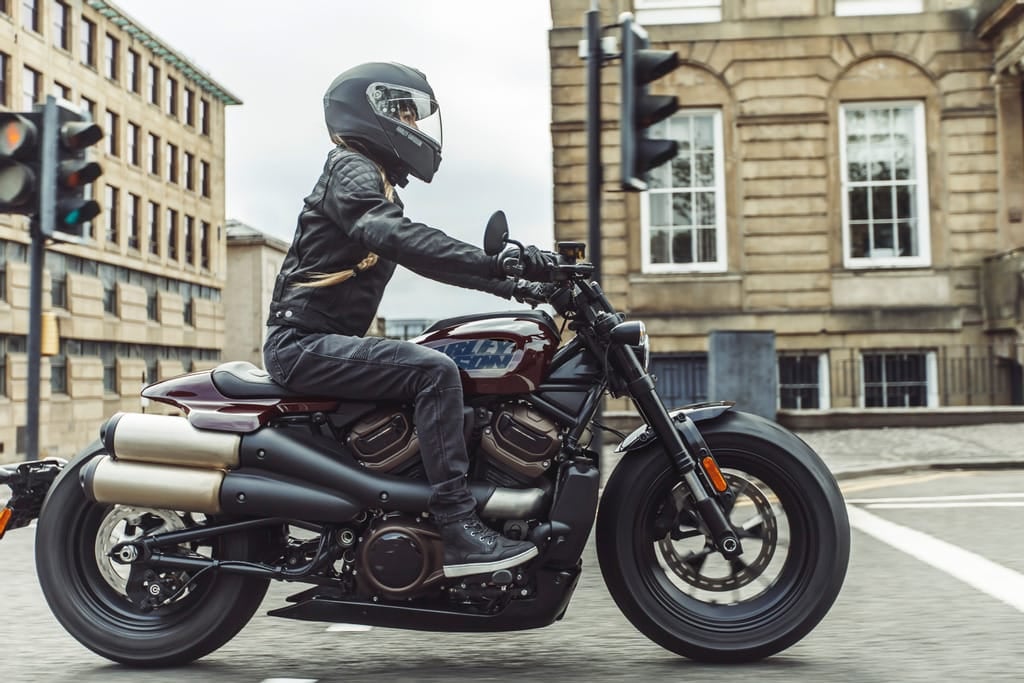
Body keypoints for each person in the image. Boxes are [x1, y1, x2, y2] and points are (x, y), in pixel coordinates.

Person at [263, 62, 554, 579]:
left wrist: (518, 286)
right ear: (369, 111)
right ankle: (458, 527)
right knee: (433, 370)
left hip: (322, 341)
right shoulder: (350, 168)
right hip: (302, 343)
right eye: (404, 113)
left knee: (443, 361)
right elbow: (398, 237)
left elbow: (419, 250)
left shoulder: (370, 179)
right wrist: (498, 267)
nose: (415, 128)